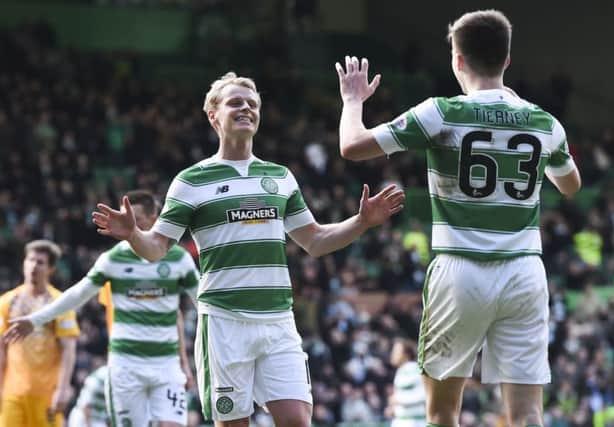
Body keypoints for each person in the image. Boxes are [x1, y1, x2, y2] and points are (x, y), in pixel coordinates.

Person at [88, 72, 405, 426]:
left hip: (277, 320)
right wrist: (133, 233)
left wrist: (361, 221)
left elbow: (315, 241)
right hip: (225, 324)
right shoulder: (191, 181)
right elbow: (157, 249)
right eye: (235, 102)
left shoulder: (280, 176)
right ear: (213, 115)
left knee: (298, 420)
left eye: (252, 104)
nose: (246, 108)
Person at [335, 10, 581, 427]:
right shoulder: (545, 123)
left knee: (442, 414)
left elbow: (352, 146)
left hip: (460, 271)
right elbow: (571, 185)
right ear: (506, 60)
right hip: (524, 273)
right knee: (527, 415)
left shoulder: (441, 113)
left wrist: (354, 102)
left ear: (457, 60)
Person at [5, 190, 200, 427]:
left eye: (136, 219)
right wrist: (35, 319)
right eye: (126, 219)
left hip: (166, 366)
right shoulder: (113, 259)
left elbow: (202, 301)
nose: (131, 226)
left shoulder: (178, 259)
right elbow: (78, 294)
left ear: (154, 217)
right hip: (126, 367)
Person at [0, 240, 79, 427]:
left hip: (47, 394)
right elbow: (1, 347)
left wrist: (63, 388)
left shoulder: (60, 303)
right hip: (13, 392)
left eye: (40, 262)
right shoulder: (7, 301)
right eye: (30, 260)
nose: (33, 266)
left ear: (51, 269)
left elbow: (69, 349)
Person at [387, 339, 426, 427]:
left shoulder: (412, 369)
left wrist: (398, 400)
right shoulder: (402, 370)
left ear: (406, 354)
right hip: (403, 420)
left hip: (413, 422)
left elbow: (423, 395)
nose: (393, 354)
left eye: (396, 351)